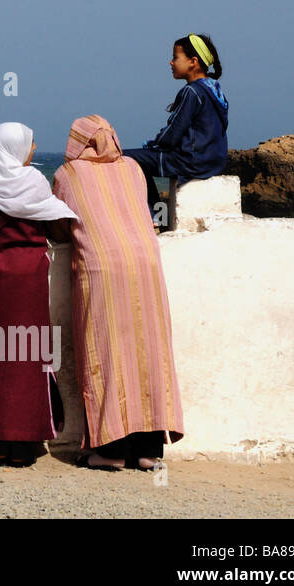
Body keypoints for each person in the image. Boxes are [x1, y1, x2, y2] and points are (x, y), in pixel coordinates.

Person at [51, 115, 184, 471]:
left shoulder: (69, 175)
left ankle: (110, 451)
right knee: (149, 356)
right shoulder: (133, 169)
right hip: (147, 268)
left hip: (101, 270)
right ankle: (148, 452)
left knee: (106, 356)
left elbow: (62, 229)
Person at [0, 122, 77, 467]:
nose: (35, 148)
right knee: (27, 359)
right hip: (25, 279)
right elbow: (57, 229)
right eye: (30, 143)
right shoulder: (32, 181)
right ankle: (23, 445)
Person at [122, 33, 229, 218]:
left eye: (175, 57)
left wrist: (152, 145)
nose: (171, 63)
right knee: (141, 160)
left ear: (193, 61)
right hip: (212, 161)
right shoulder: (215, 90)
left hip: (190, 161)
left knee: (126, 159)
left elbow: (173, 133)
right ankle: (158, 216)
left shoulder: (192, 92)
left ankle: (156, 217)